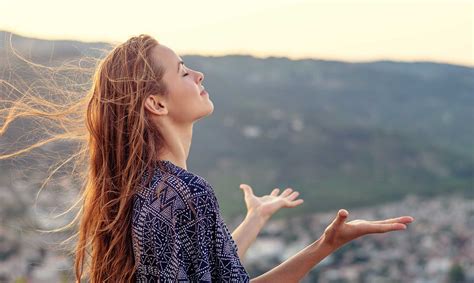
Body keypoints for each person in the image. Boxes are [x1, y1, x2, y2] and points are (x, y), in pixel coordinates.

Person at [0, 34, 414, 282]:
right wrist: (327, 245)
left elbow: (209, 270)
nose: (199, 75)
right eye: (182, 71)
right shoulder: (183, 194)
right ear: (156, 105)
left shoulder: (149, 190)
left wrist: (254, 219)